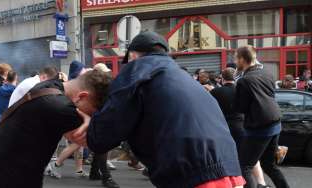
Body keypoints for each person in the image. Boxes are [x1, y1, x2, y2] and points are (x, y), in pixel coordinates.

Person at [70, 31, 245, 188]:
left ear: (132, 55)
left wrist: (90, 123)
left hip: (195, 175)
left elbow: (102, 137)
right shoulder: (182, 76)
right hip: (230, 170)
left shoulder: (136, 71)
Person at [0, 69, 112, 188]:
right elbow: (97, 142)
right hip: (13, 179)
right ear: (82, 96)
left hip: (0, 171)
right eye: (92, 112)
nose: (90, 115)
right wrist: (88, 120)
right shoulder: (61, 108)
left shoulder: (51, 86)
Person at [234, 45, 290, 188]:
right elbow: (271, 95)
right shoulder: (267, 74)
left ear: (242, 59)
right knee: (269, 165)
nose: (235, 62)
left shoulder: (244, 81)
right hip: (276, 124)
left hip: (260, 127)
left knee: (244, 166)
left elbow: (240, 108)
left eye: (236, 58)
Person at [210, 68, 244, 149]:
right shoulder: (242, 91)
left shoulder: (215, 92)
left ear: (222, 78)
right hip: (240, 126)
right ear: (235, 77)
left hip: (221, 127)